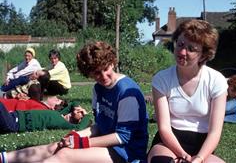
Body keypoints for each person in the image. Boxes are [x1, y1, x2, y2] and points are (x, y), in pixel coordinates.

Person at [1, 41, 148, 163]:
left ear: (112, 63)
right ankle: (4, 158)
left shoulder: (126, 92)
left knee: (64, 155)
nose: (103, 76)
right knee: (56, 146)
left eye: (106, 68)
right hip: (108, 144)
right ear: (89, 73)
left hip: (128, 153)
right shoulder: (98, 89)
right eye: (96, 73)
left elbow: (122, 137)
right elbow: (99, 127)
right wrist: (76, 136)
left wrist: (82, 142)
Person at [147, 19, 228, 163]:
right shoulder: (161, 79)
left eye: (191, 49)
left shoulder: (216, 81)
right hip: (168, 143)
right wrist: (183, 156)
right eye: (180, 44)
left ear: (203, 55)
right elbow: (164, 128)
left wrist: (199, 158)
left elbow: (215, 132)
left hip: (202, 145)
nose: (182, 52)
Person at [0, 101, 90, 134]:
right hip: (13, 115)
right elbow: (73, 103)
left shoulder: (62, 123)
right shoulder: (59, 114)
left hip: (14, 123)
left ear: (79, 120)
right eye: (79, 110)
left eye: (80, 113)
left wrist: (86, 115)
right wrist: (79, 108)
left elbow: (79, 128)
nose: (78, 111)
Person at [0, 95, 66, 112]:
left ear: (53, 108)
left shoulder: (42, 109)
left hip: (4, 107)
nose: (54, 97)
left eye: (56, 100)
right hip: (5, 102)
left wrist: (22, 100)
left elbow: (21, 113)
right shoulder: (41, 104)